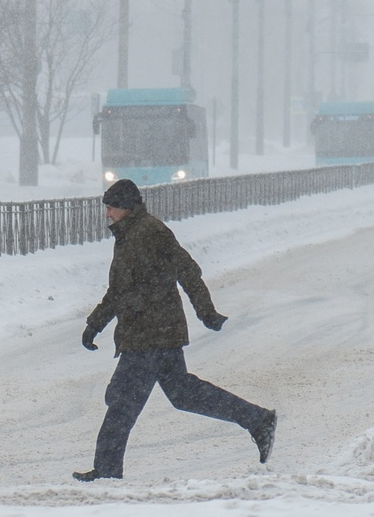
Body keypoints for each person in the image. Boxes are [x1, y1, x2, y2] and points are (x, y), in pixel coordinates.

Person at [72, 178, 275, 482]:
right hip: (151, 333)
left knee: (122, 403)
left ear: (126, 207)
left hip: (150, 334)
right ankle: (257, 420)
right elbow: (119, 291)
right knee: (182, 393)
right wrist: (95, 324)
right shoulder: (128, 235)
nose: (107, 214)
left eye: (111, 207)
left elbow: (187, 269)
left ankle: (107, 471)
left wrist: (206, 312)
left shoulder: (151, 232)